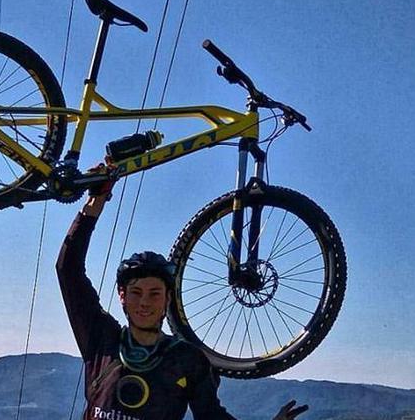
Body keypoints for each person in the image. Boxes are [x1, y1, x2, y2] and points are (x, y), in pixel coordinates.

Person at [56, 172, 309, 420]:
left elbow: (211, 416)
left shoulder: (187, 359)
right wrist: (95, 202)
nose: (144, 302)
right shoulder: (102, 337)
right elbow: (68, 270)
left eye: (154, 293)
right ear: (122, 296)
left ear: (168, 299)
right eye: (136, 292)